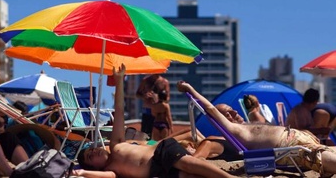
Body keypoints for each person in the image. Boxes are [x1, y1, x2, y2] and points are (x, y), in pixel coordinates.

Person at [73, 64, 235, 178]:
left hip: (161, 151)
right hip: (157, 171)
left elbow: (120, 111)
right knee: (187, 175)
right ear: (95, 167)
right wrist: (82, 173)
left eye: (92, 149)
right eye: (90, 156)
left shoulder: (116, 145)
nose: (94, 151)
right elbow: (103, 176)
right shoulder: (112, 170)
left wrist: (119, 81)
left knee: (189, 165)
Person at [177, 81, 336, 176]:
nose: (235, 112)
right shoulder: (234, 130)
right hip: (294, 149)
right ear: (220, 121)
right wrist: (191, 90)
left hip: (302, 139)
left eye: (233, 110)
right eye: (228, 113)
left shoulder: (247, 124)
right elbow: (210, 109)